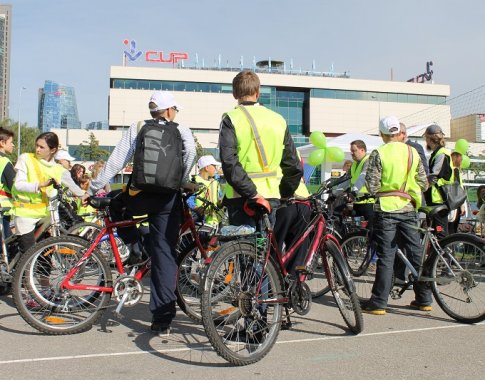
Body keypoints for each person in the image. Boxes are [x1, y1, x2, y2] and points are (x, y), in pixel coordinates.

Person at [87, 91, 196, 336]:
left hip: (139, 195)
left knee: (114, 204)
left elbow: (115, 162)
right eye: (175, 110)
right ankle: (162, 319)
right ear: (169, 111)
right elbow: (190, 155)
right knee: (165, 256)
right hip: (168, 198)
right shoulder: (182, 130)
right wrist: (179, 180)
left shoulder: (137, 127)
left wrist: (94, 188)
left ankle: (135, 248)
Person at [363, 116, 431, 315]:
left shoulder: (379, 152)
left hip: (386, 209)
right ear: (398, 133)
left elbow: (372, 185)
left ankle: (379, 303)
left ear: (382, 134)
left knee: (386, 255)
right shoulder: (412, 151)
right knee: (416, 252)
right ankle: (424, 299)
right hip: (409, 207)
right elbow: (424, 183)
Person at [219, 70, 303, 228]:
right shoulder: (278, 120)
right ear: (257, 93)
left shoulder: (231, 118)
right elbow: (293, 166)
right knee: (266, 249)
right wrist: (285, 194)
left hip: (241, 197)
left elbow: (229, 162)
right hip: (271, 197)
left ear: (234, 93)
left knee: (242, 249)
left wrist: (252, 193)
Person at [12, 132, 87, 253]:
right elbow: (18, 185)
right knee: (28, 255)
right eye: (37, 145)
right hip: (24, 214)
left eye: (42, 147)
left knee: (45, 257)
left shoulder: (58, 169)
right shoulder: (26, 158)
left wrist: (86, 196)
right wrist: (40, 185)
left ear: (53, 150)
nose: (37, 149)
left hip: (44, 217)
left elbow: (76, 189)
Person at [423, 124, 453, 239]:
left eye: (426, 138)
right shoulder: (437, 153)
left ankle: (445, 257)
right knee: (435, 232)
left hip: (439, 199)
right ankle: (438, 256)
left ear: (430, 139)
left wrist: (423, 185)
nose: (426, 141)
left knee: (441, 233)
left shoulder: (442, 154)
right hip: (435, 199)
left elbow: (434, 176)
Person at [349, 140, 375, 226]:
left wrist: (354, 191)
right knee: (355, 231)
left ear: (362, 150)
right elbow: (345, 179)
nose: (352, 153)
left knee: (370, 231)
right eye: (351, 151)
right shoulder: (354, 164)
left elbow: (363, 176)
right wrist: (333, 192)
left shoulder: (368, 161)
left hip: (368, 202)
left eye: (354, 151)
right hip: (357, 203)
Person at [193, 155, 221, 226]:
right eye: (214, 166)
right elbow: (189, 199)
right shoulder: (194, 181)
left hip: (214, 222)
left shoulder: (215, 182)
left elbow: (219, 199)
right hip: (200, 221)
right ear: (207, 167)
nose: (216, 168)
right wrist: (196, 208)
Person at [0, 127, 16, 238]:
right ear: (2, 143)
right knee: (4, 247)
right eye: (11, 142)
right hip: (2, 210)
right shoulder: (4, 161)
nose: (13, 145)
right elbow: (15, 187)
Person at [448, 151, 466, 234]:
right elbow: (458, 189)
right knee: (452, 229)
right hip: (455, 203)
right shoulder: (455, 171)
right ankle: (451, 246)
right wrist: (462, 205)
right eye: (461, 160)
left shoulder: (448, 170)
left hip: (448, 202)